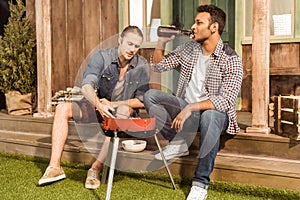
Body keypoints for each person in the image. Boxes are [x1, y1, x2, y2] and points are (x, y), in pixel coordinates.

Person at [143, 4, 243, 200]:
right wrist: (162, 41)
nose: (193, 26)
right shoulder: (190, 48)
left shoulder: (231, 59)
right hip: (186, 113)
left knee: (211, 115)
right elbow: (158, 65)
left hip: (212, 116)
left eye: (199, 22)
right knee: (150, 96)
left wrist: (191, 107)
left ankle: (200, 184)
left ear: (213, 27)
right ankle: (178, 142)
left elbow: (226, 100)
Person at [38, 25, 150, 190]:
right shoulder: (102, 57)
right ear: (120, 40)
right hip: (97, 105)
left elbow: (141, 100)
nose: (132, 49)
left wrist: (113, 104)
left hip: (123, 111)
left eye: (137, 46)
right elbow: (86, 86)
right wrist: (98, 104)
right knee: (62, 108)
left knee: (121, 112)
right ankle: (55, 167)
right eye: (129, 43)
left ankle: (95, 169)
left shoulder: (141, 65)